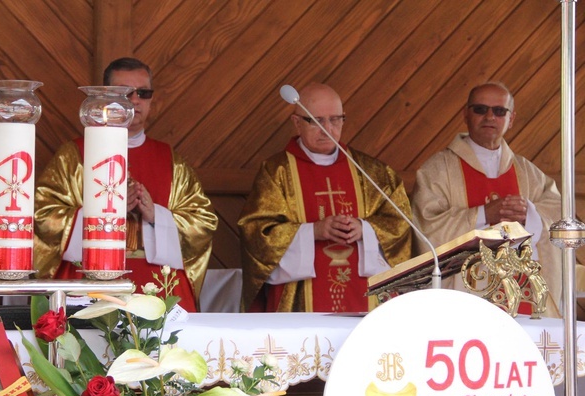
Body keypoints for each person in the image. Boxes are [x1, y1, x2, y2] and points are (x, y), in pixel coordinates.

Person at [35, 57, 217, 312]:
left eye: (143, 93)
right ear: (105, 98)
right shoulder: (74, 155)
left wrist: (157, 216)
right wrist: (104, 214)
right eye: (124, 93)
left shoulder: (171, 161)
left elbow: (203, 223)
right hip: (89, 278)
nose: (134, 101)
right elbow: (43, 215)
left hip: (157, 284)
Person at [238, 83, 412, 313]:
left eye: (335, 119)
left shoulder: (373, 173)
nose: (327, 129)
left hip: (365, 299)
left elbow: (401, 224)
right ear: (297, 122)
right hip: (298, 300)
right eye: (316, 120)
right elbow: (256, 233)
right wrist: (314, 231)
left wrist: (365, 230)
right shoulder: (277, 172)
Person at [411, 81, 562, 316]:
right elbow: (427, 227)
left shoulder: (528, 173)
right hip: (463, 301)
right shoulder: (438, 170)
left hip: (523, 299)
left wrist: (529, 213)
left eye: (499, 111)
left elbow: (558, 216)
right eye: (480, 109)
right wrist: (482, 215)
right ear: (466, 114)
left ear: (511, 119)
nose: (489, 116)